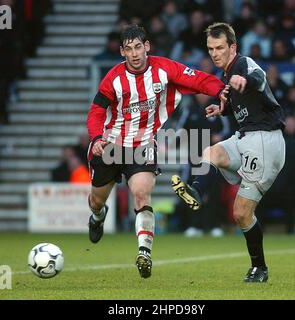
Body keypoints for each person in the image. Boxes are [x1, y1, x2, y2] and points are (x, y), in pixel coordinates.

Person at [86, 24, 226, 279]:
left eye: (138, 47)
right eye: (129, 49)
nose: (135, 53)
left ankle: (144, 252)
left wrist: (220, 91)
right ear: (122, 52)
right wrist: (96, 137)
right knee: (96, 200)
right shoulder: (113, 79)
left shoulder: (165, 69)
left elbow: (198, 78)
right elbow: (96, 112)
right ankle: (98, 216)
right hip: (110, 145)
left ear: (147, 46)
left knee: (141, 194)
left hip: (142, 144)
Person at [171, 22, 286, 283]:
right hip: (246, 137)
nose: (214, 53)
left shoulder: (243, 64)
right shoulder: (228, 77)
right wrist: (222, 109)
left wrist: (244, 79)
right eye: (210, 48)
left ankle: (260, 268)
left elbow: (259, 78)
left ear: (232, 47)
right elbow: (245, 102)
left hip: (266, 142)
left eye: (220, 47)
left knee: (241, 213)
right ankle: (197, 191)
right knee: (211, 152)